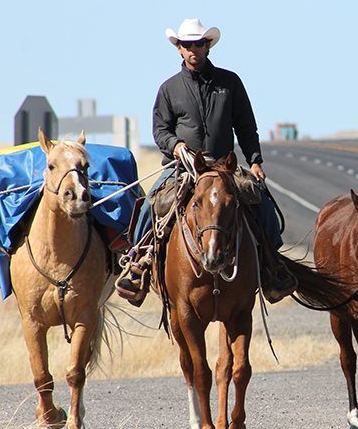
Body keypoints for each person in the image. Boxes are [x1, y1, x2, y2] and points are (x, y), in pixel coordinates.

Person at [116, 18, 296, 305]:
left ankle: (273, 267)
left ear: (207, 46)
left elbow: (246, 125)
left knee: (260, 201)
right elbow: (160, 129)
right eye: (186, 45)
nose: (192, 50)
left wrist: (255, 160)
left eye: (198, 44)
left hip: (224, 166)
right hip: (183, 167)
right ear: (179, 49)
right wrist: (175, 146)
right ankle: (138, 265)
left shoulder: (230, 82)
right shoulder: (169, 88)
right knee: (152, 202)